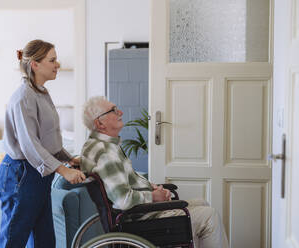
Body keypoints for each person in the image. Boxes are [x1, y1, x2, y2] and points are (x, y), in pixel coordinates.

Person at [80, 96, 229, 248]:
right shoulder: (106, 152)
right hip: (139, 220)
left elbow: (127, 183)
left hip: (139, 213)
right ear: (100, 123)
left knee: (202, 203)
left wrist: (152, 187)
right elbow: (122, 200)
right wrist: (153, 196)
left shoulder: (100, 146)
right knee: (209, 216)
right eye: (114, 110)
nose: (121, 112)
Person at [0, 39, 85, 248]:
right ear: (35, 64)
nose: (57, 64)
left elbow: (47, 137)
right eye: (52, 60)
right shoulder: (23, 97)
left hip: (38, 175)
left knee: (44, 241)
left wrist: (67, 158)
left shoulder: (41, 93)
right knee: (12, 242)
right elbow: (30, 145)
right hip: (21, 174)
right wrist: (64, 170)